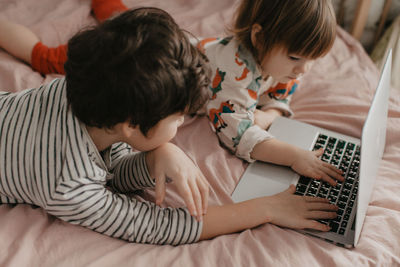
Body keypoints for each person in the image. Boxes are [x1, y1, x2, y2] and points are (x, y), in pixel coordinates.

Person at [0, 3, 339, 245]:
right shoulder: (67, 184)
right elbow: (158, 226)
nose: (182, 123)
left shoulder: (85, 92)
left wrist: (158, 155)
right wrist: (266, 207)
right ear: (133, 124)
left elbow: (112, 168)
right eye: (178, 119)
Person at [197, 0, 345, 187]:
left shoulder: (280, 66)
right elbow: (239, 137)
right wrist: (295, 157)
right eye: (295, 58)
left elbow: (282, 92)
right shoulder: (233, 73)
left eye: (313, 59)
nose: (304, 69)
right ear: (259, 38)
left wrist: (271, 115)